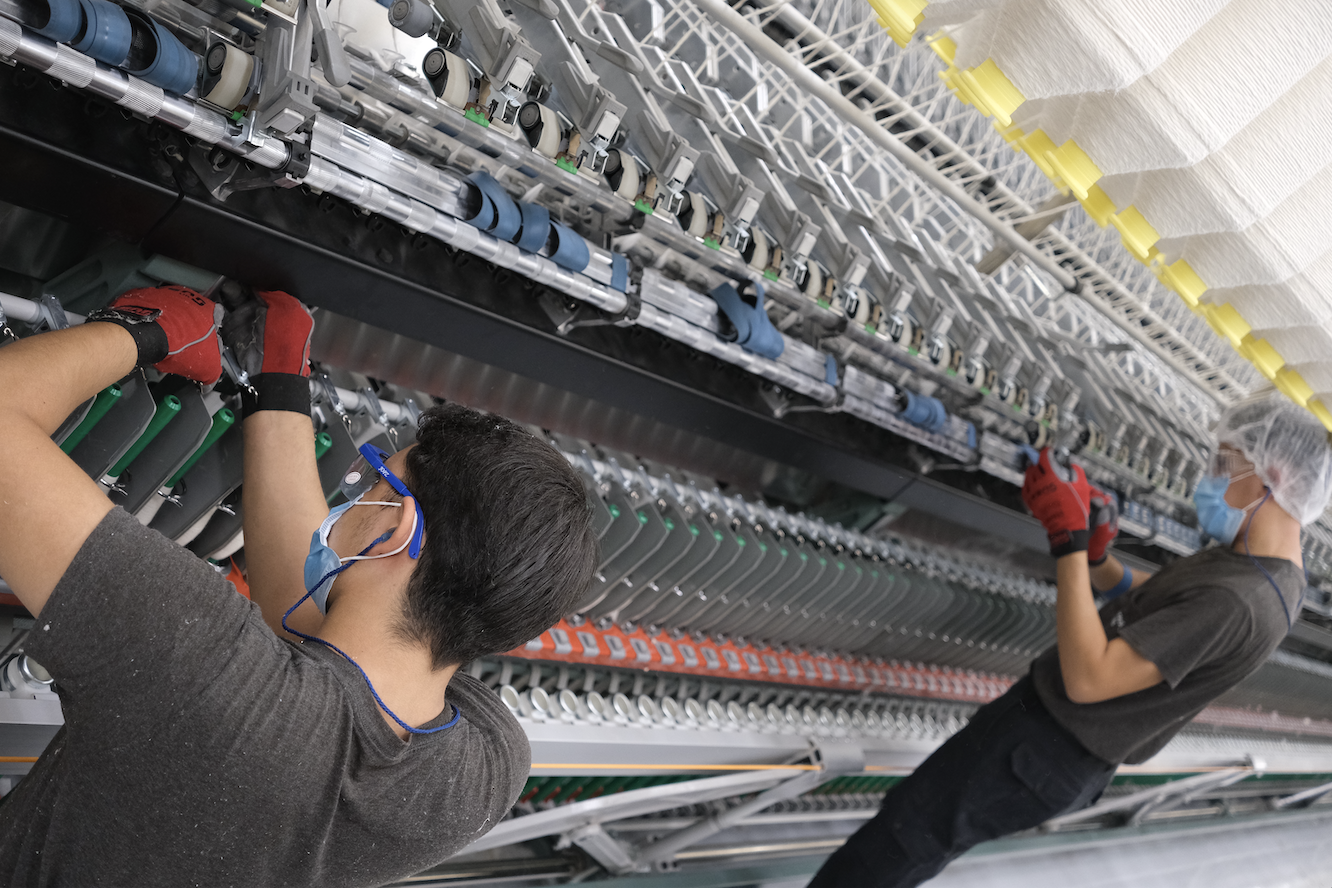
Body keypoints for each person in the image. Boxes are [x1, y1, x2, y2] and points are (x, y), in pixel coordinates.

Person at [0, 284, 598, 886]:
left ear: (395, 525)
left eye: (374, 484)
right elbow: (312, 647)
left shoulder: (200, 663)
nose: (357, 493)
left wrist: (139, 333)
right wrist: (279, 388)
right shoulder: (483, 775)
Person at [809, 394, 1332, 888]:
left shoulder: (1242, 599)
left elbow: (1089, 679)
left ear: (1274, 476)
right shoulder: (1268, 570)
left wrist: (1068, 540)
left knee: (898, 844)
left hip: (1045, 747)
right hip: (1045, 741)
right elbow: (1167, 606)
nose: (1210, 477)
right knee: (907, 834)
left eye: (1225, 463)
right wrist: (1099, 559)